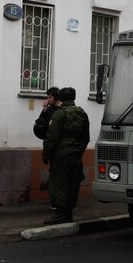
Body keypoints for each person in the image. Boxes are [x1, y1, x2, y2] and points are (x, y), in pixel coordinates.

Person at [42, 87, 90, 225]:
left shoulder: (59, 114)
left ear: (61, 98)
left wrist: (46, 155)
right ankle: (68, 214)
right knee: (73, 184)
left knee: (60, 184)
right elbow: (86, 138)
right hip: (76, 156)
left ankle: (60, 214)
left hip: (61, 157)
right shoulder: (83, 114)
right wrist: (78, 152)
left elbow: (52, 137)